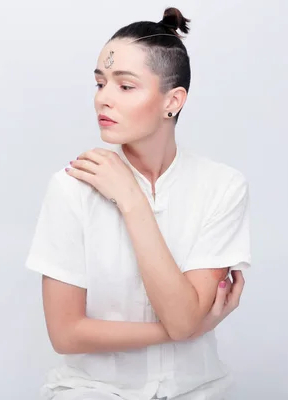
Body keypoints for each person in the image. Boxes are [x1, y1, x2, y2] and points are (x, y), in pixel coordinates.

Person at [25, 7, 251, 400]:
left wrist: (132, 201)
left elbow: (184, 316)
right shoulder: (71, 187)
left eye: (125, 86)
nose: (103, 100)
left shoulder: (222, 187)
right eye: (100, 84)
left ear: (173, 101)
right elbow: (65, 332)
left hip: (199, 389)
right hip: (92, 392)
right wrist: (186, 329)